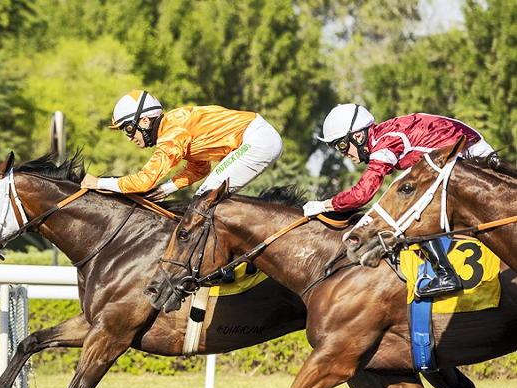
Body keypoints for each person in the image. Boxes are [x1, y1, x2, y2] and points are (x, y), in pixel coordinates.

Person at [305, 103, 495, 298]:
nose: (343, 153)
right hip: (464, 150)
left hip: (467, 153)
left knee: (410, 209)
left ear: (358, 136)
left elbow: (363, 194)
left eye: (342, 145)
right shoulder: (384, 135)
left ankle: (445, 275)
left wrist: (325, 205)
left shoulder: (386, 143)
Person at [80, 90, 283, 201]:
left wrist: (98, 183)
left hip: (256, 140)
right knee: (207, 199)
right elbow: (200, 168)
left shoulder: (172, 133)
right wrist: (168, 188)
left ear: (144, 121)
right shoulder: (173, 126)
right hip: (258, 137)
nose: (128, 137)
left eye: (128, 129)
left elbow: (144, 181)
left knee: (204, 200)